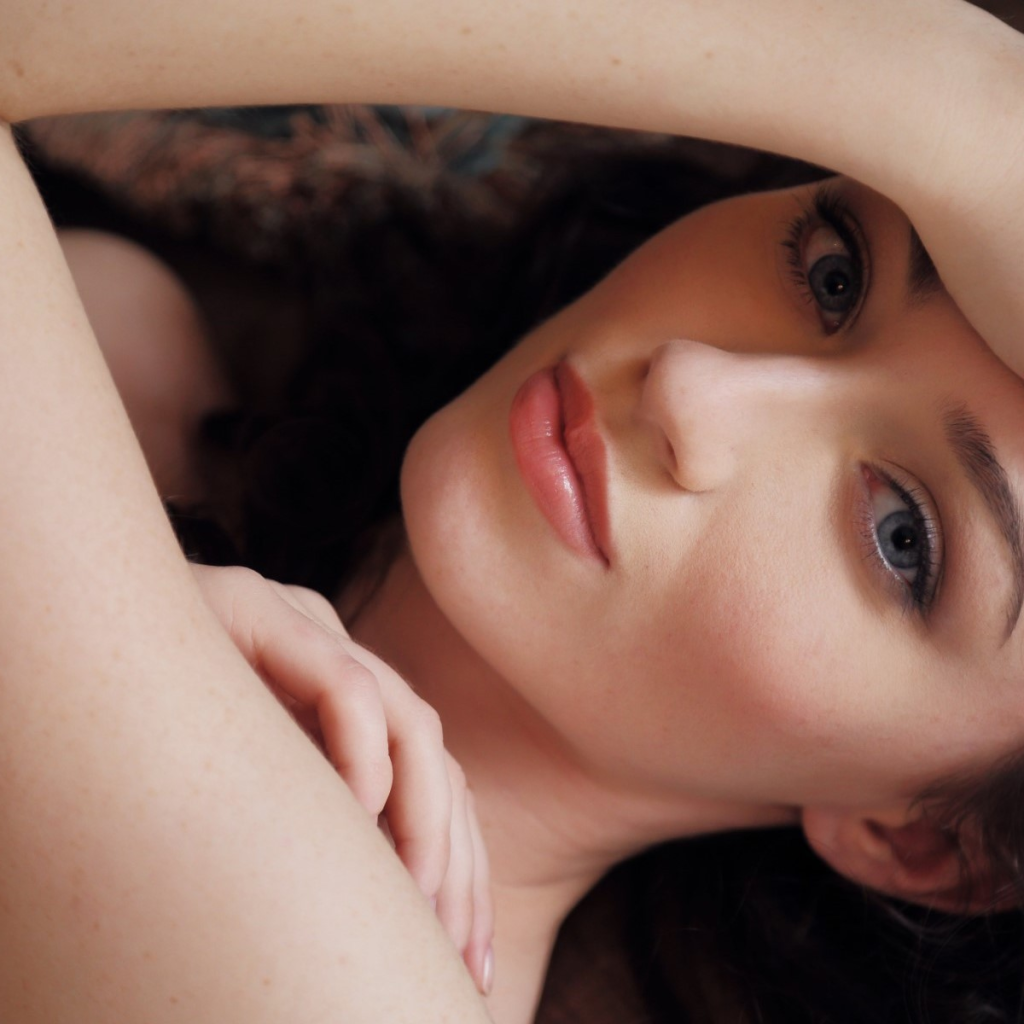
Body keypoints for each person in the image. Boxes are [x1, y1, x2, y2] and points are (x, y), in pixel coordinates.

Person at [1, 2, 1024, 1023]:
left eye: (901, 537)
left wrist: (963, 95)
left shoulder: (350, 991)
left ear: (921, 844)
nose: (691, 387)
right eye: (835, 274)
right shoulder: (139, 341)